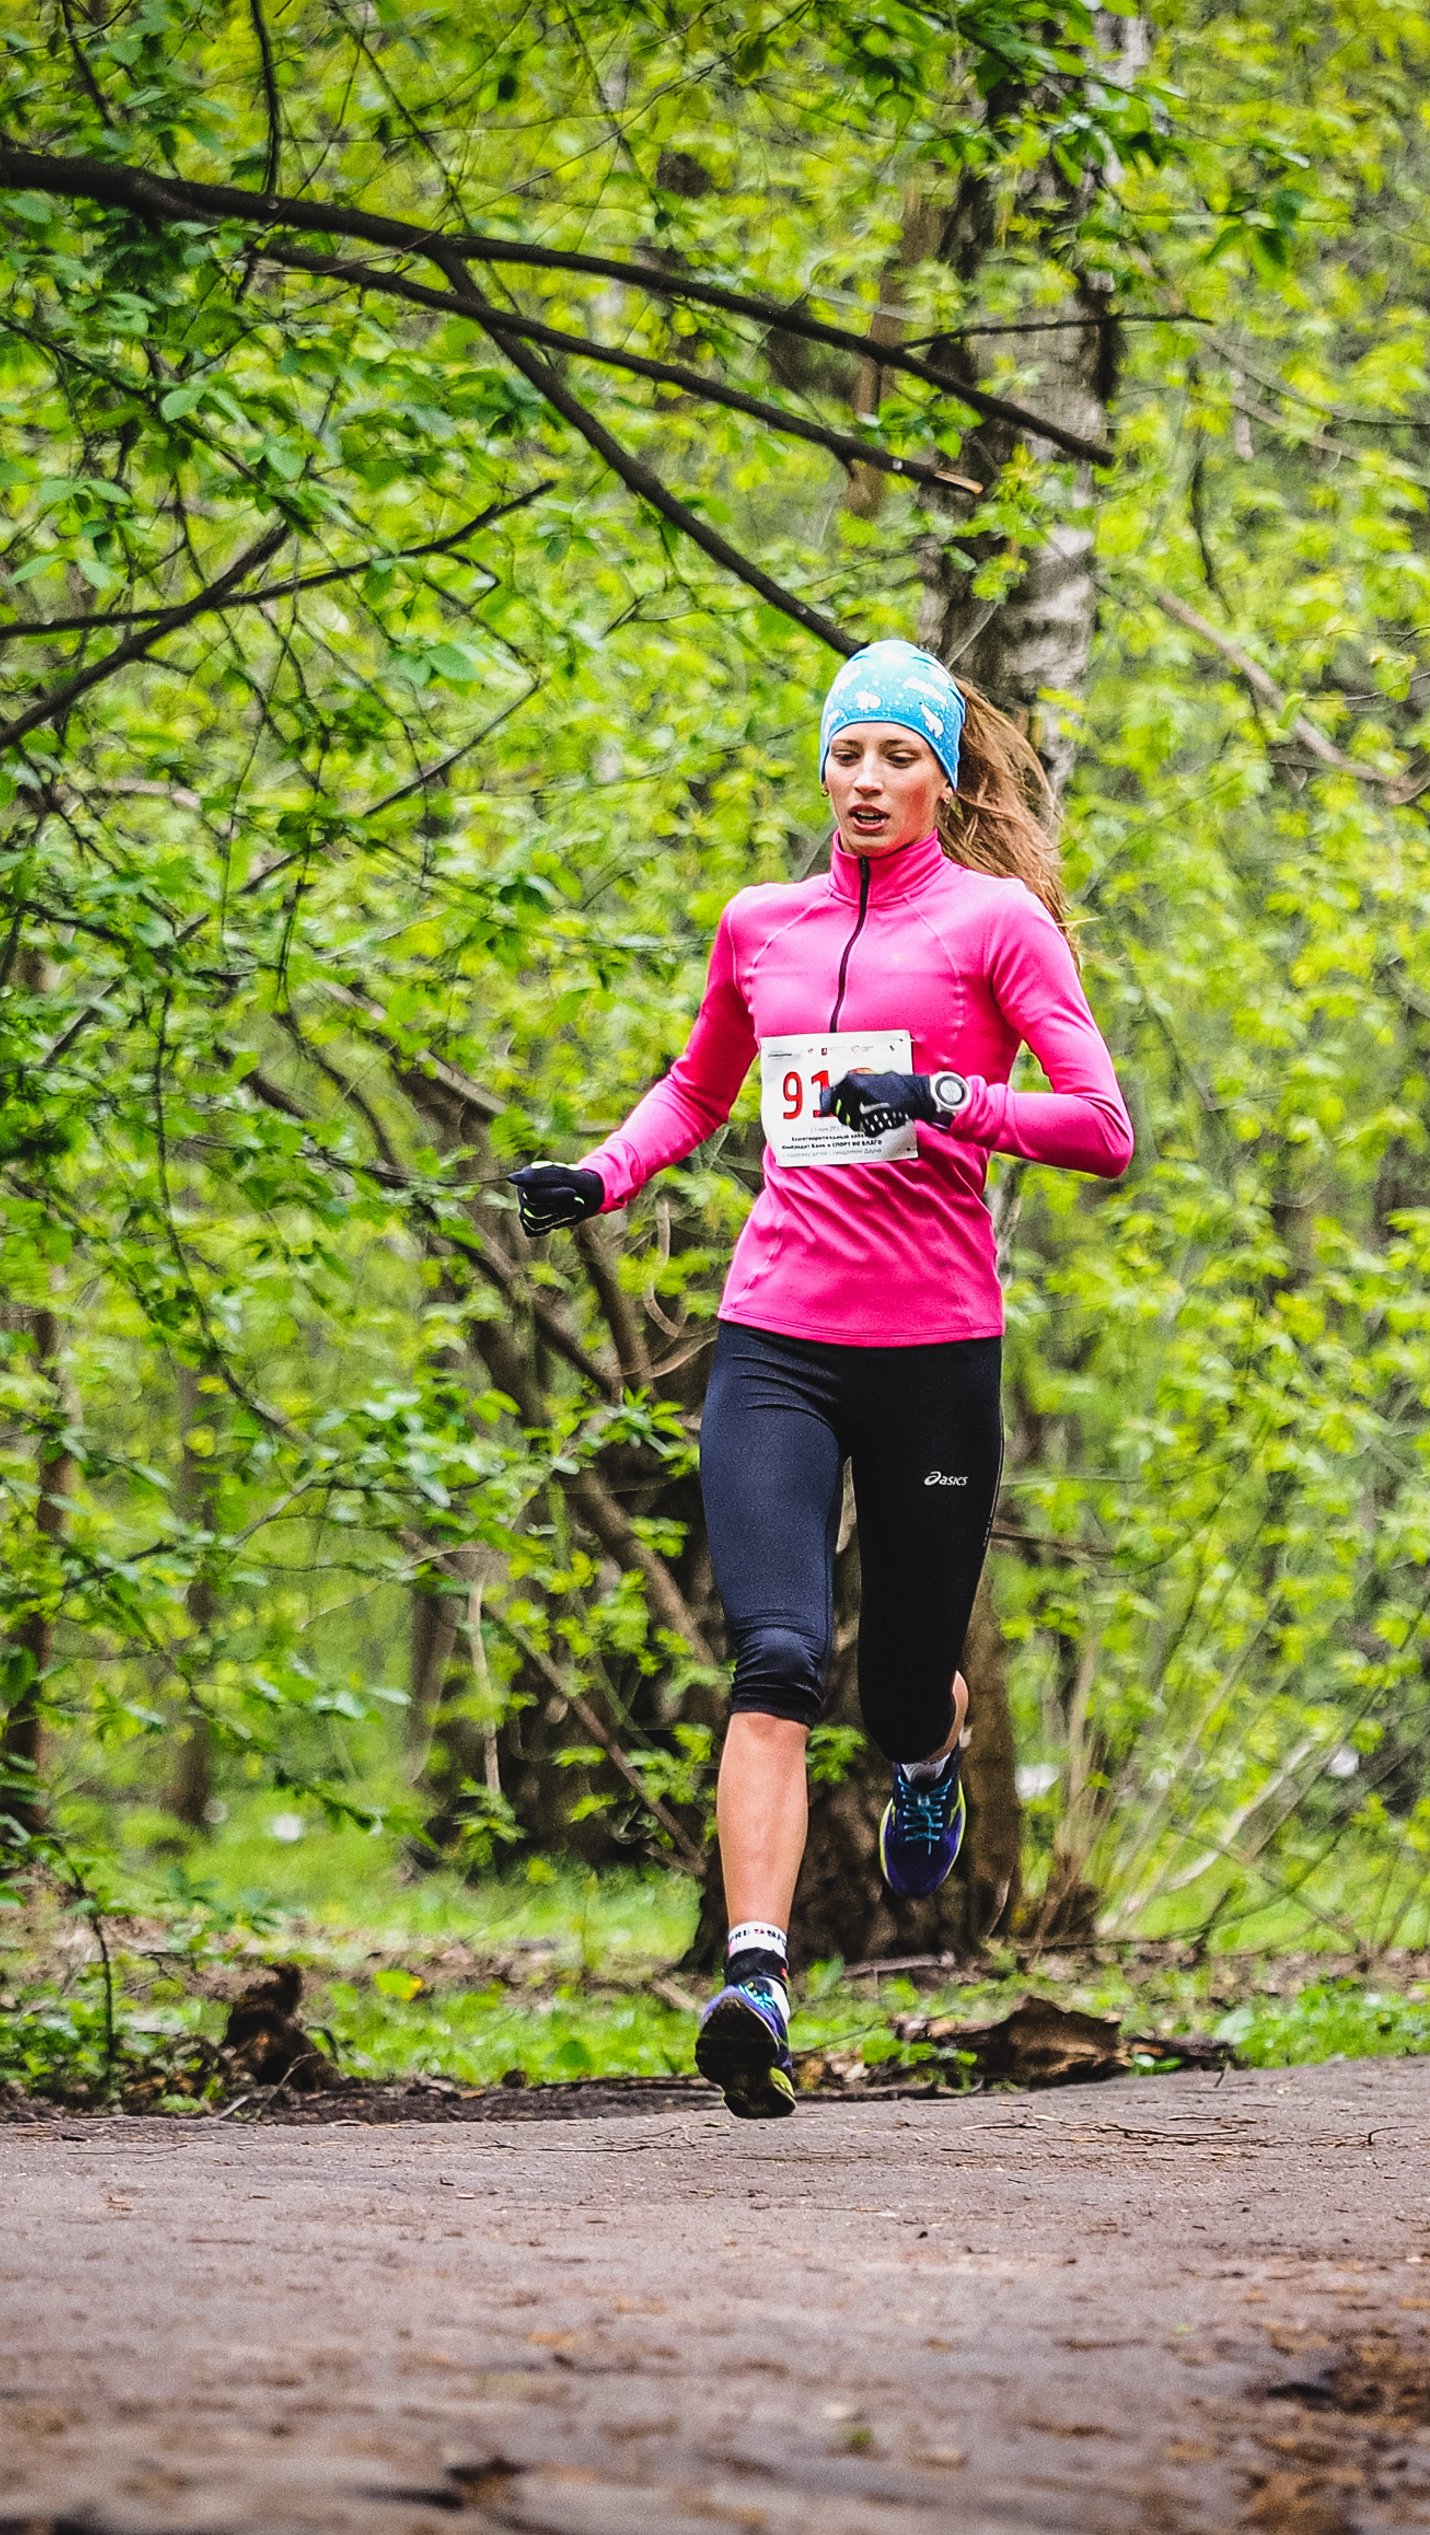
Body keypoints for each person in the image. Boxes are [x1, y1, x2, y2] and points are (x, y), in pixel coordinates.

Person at [509, 640, 1131, 2119]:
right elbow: (699, 1086)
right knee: (777, 1654)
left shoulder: (997, 926)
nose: (864, 781)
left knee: (901, 1682)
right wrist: (602, 1177)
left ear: (943, 777)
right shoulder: (760, 925)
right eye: (845, 754)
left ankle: (930, 1758)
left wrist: (942, 1102)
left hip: (932, 1349)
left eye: (895, 757)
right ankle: (758, 1974)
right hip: (777, 1339)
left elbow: (1101, 1126)